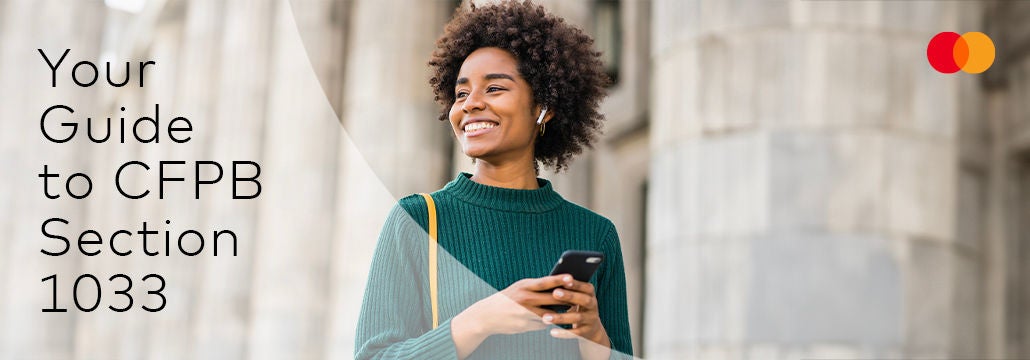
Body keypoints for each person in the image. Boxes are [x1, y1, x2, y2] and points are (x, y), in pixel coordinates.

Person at [355, 1, 632, 359]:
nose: (470, 104)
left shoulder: (595, 234)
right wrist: (479, 321)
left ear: (543, 107)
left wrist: (593, 337)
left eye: (495, 88)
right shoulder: (418, 220)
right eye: (461, 93)